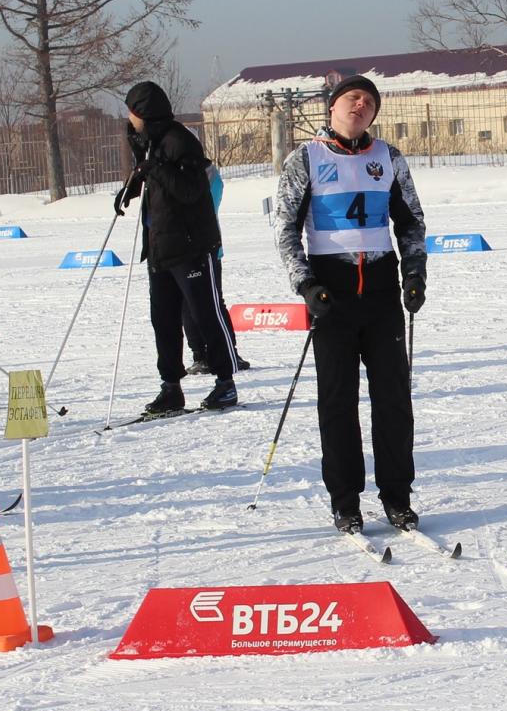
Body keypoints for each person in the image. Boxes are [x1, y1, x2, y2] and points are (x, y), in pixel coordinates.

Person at [275, 73, 428, 534]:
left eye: (368, 101)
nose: (359, 106)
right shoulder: (305, 158)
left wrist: (414, 273)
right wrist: (305, 284)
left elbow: (412, 222)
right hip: (332, 292)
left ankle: (397, 497)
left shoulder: (389, 158)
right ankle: (345, 501)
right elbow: (285, 228)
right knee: (337, 401)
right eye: (351, 98)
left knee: (394, 399)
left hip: (380, 288)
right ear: (332, 107)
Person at [116, 81, 239, 415]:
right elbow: (157, 179)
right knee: (164, 320)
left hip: (191, 246)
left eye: (131, 111)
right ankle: (171, 387)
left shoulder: (179, 139)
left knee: (205, 314)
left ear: (144, 111)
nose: (128, 117)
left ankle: (225, 381)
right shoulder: (151, 142)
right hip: (160, 248)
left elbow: (189, 189)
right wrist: (134, 184)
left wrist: (154, 168)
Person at [183, 158, 251, 378]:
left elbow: (208, 203)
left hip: (204, 246)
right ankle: (200, 355)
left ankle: (228, 352)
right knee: (187, 303)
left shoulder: (205, 170)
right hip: (178, 248)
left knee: (212, 300)